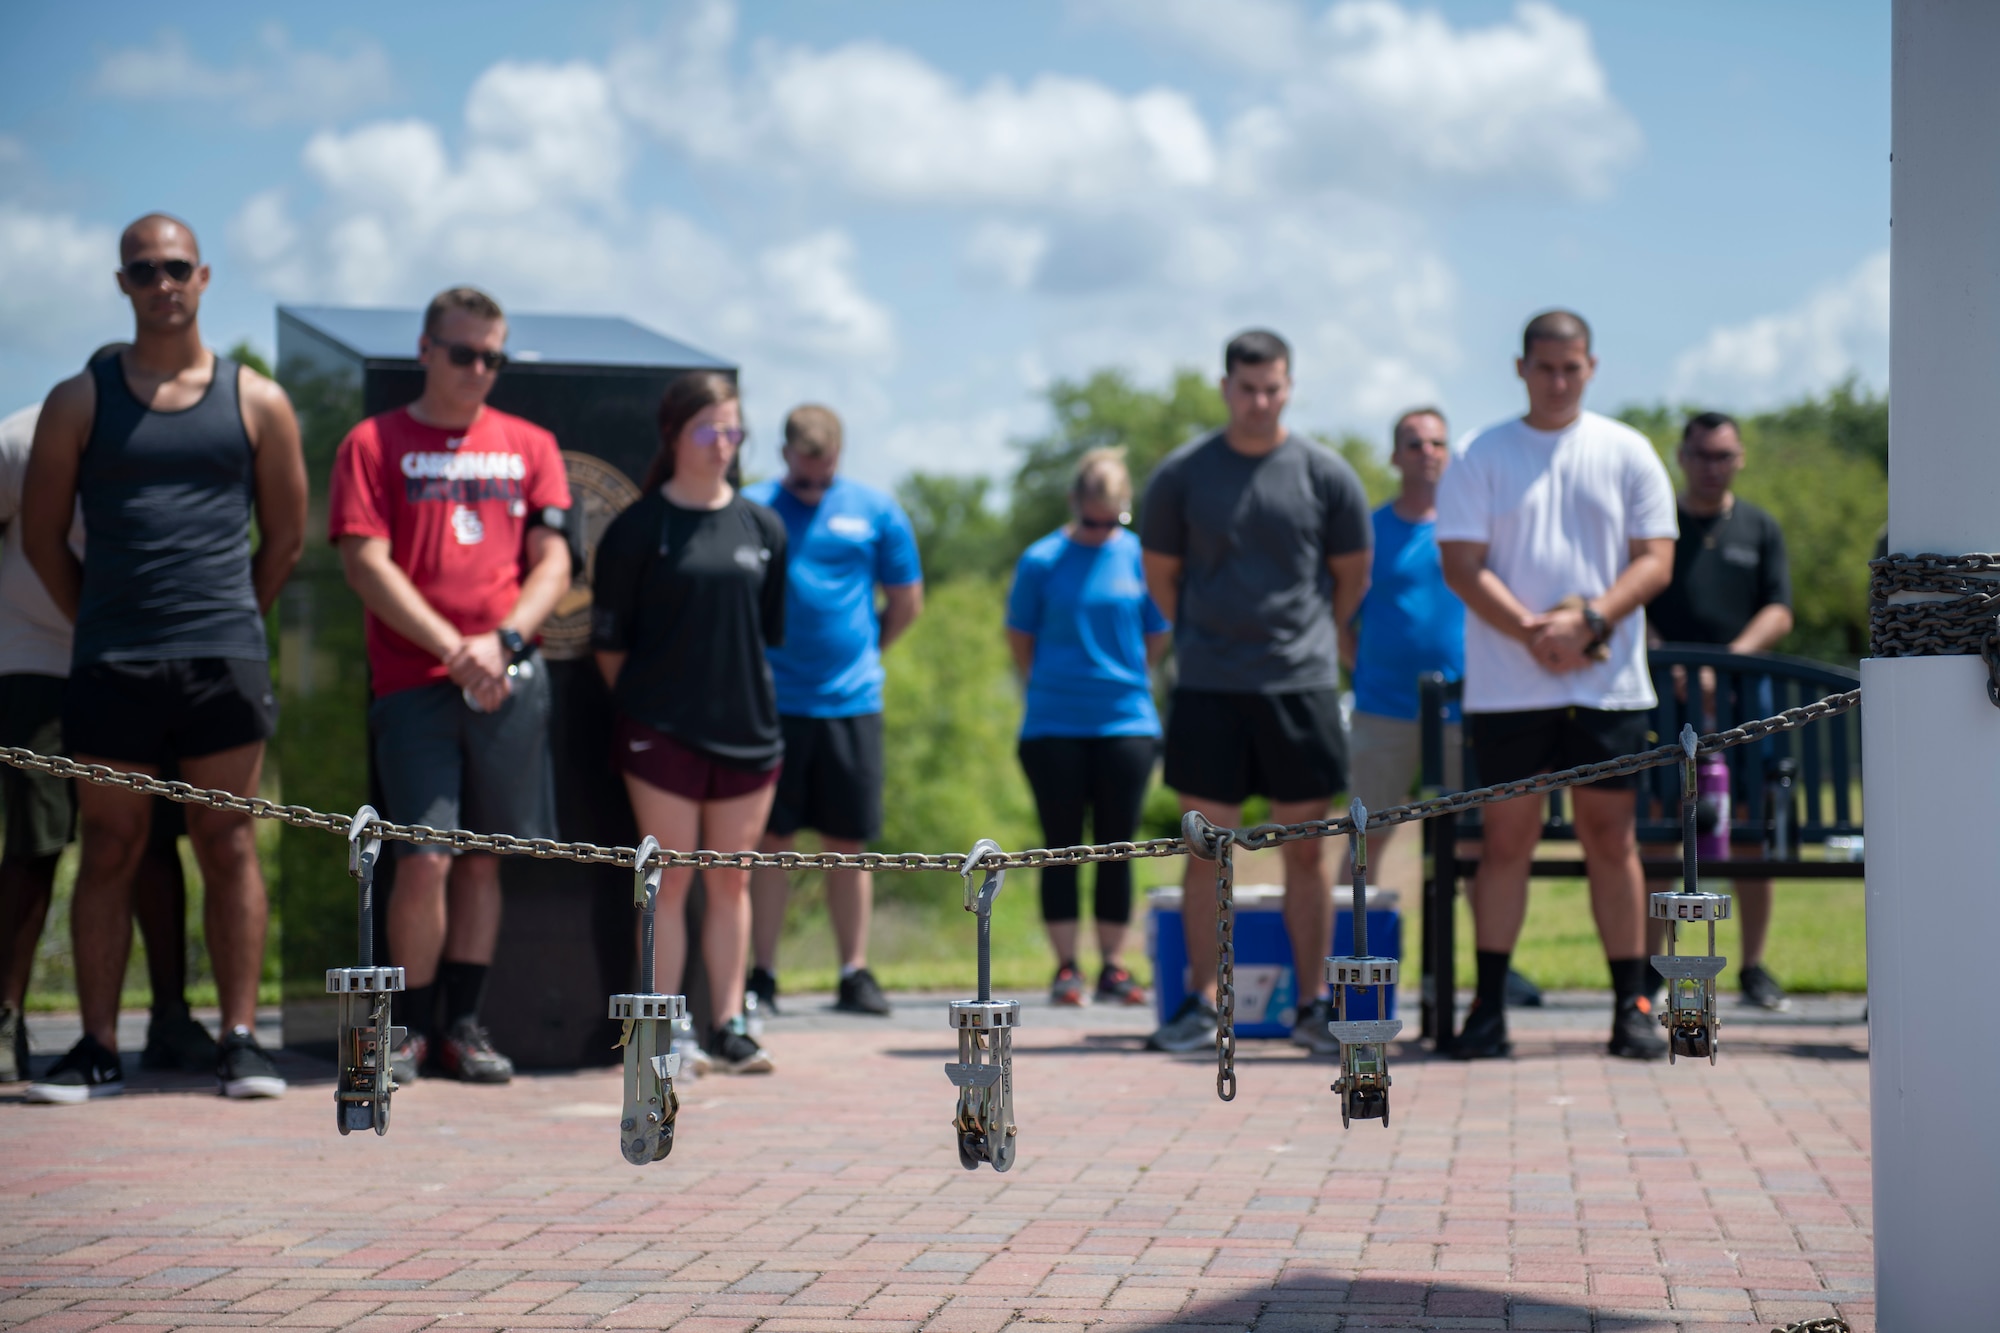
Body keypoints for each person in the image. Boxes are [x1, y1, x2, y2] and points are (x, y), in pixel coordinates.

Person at [20, 213, 307, 1102]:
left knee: (228, 842)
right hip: (113, 662)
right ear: (122, 284)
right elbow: (39, 538)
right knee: (109, 844)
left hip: (223, 660)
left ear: (205, 276)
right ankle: (98, 1047)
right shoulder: (82, 398)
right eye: (143, 270)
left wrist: (230, 622)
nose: (162, 283)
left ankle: (238, 1040)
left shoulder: (257, 399)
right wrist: (101, 624)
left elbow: (288, 536)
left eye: (176, 267)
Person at [328, 287, 571, 1086]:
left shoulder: (532, 443)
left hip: (505, 678)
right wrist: (452, 648)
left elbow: (555, 562)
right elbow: (365, 561)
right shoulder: (373, 441)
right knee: (423, 855)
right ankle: (407, 1029)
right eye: (464, 353)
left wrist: (499, 644)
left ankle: (463, 1026)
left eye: (493, 357)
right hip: (414, 682)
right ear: (425, 349)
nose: (479, 370)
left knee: (482, 858)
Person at [1435, 309, 1677, 1061]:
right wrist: (1536, 632)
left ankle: (1631, 1005)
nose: (1559, 380)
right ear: (1521, 368)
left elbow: (1655, 559)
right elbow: (1461, 564)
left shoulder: (1628, 449)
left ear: (1592, 367)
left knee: (1614, 839)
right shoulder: (1480, 453)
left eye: (1572, 368)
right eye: (1546, 367)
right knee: (1505, 841)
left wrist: (1590, 624)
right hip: (1509, 687)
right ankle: (1488, 1010)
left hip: (1607, 687)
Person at [1139, 329, 1372, 1055]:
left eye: (1273, 388)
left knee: (1306, 852)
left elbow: (1351, 577)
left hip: (1299, 686)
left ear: (1290, 387)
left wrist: (1301, 640)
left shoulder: (1326, 474)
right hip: (1209, 685)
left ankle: (1311, 1006)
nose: (1260, 401)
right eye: (1247, 388)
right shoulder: (1181, 476)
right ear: (1225, 387)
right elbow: (1161, 579)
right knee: (1208, 848)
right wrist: (1212, 637)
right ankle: (1199, 1006)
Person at [0, 385, 217, 1085]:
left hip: (135, 661)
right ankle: (5, 1017)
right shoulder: (18, 443)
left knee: (154, 840)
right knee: (38, 841)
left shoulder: (173, 443)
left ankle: (171, 1017)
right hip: (36, 654)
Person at [593, 371, 786, 1075]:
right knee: (670, 876)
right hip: (660, 732)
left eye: (734, 430)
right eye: (709, 430)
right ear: (674, 434)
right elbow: (608, 645)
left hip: (749, 731)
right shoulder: (639, 528)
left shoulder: (762, 526)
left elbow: (768, 632)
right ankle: (664, 1025)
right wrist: (650, 709)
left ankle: (730, 1022)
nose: (723, 444)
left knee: (730, 878)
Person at [742, 405, 922, 1017]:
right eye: (803, 473)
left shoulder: (876, 511)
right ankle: (762, 975)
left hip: (851, 701)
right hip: (771, 702)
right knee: (771, 842)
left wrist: (865, 650)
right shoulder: (752, 506)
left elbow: (905, 601)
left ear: (839, 456)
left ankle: (854, 971)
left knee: (848, 843)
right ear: (785, 453)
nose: (813, 483)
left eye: (824, 472)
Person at [1007, 448, 1170, 1006]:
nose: (1103, 529)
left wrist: (1122, 677)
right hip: (1053, 724)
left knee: (1117, 846)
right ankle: (1066, 967)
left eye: (1114, 518)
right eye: (1093, 517)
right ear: (1075, 503)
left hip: (1126, 721)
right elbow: (1020, 639)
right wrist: (1054, 685)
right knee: (1061, 846)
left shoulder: (1140, 559)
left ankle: (1114, 965)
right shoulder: (1041, 560)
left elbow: (1155, 634)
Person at [1646, 410, 1794, 1010]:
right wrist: (1673, 663)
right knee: (1657, 832)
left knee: (1753, 831)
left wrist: (1727, 663)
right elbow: (1637, 600)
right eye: (1701, 455)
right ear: (1681, 458)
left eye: (1723, 455)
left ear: (1740, 459)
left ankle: (1753, 966)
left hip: (1745, 699)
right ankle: (1655, 970)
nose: (1712, 466)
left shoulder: (1759, 527)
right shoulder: (1658, 526)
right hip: (1662, 696)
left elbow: (1779, 610)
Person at [1344, 407, 1465, 870]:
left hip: (1462, 712)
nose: (1426, 454)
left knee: (1471, 846)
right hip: (1382, 713)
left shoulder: (1474, 530)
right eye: (1414, 444)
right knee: (1362, 845)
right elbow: (1339, 621)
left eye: (1436, 443)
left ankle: (1481, 946)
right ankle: (1351, 944)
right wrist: (1368, 671)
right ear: (1395, 456)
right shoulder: (1368, 534)